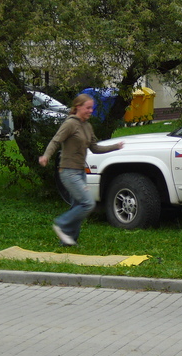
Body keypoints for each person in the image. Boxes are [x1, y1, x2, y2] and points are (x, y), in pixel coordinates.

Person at [39, 94, 123, 245]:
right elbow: (55, 141)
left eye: (92, 108)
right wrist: (46, 156)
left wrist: (115, 147)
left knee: (78, 206)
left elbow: (95, 148)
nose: (91, 111)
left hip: (80, 171)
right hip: (68, 172)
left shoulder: (87, 126)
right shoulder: (70, 124)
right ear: (78, 107)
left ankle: (68, 242)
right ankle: (61, 224)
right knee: (88, 203)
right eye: (88, 108)